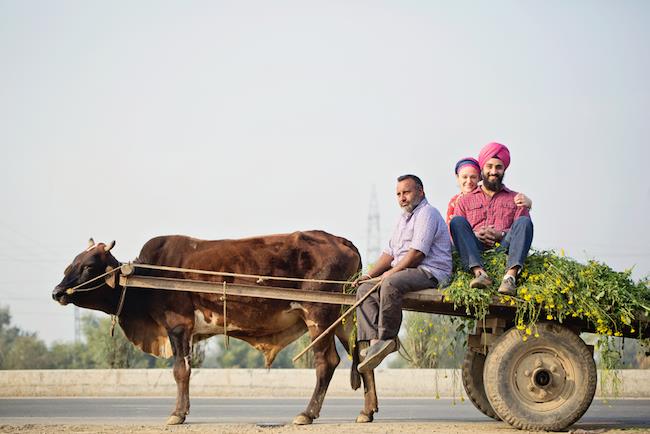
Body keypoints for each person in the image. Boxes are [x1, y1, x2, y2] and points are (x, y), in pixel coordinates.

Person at [356, 174, 452, 373]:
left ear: (420, 191)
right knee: (365, 288)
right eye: (398, 194)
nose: (402, 198)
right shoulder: (403, 219)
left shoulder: (428, 213)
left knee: (390, 283)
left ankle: (387, 338)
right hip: (406, 271)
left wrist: (388, 274)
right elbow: (389, 253)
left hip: (430, 271)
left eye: (406, 192)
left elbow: (417, 254)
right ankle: (375, 343)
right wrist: (368, 275)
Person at [450, 142, 533, 296]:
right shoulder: (464, 200)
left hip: (504, 247)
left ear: (504, 169)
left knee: (524, 222)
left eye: (498, 167)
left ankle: (510, 278)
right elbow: (456, 235)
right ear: (482, 169)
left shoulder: (516, 198)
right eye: (489, 166)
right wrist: (475, 235)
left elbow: (522, 231)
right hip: (475, 249)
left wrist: (500, 235)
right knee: (457, 222)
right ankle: (480, 274)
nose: (493, 171)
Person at [446, 157, 532, 225]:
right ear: (457, 178)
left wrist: (529, 204)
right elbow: (453, 231)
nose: (469, 181)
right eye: (464, 177)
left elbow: (520, 228)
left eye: (473, 177)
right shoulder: (457, 201)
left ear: (480, 177)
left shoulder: (514, 198)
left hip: (504, 243)